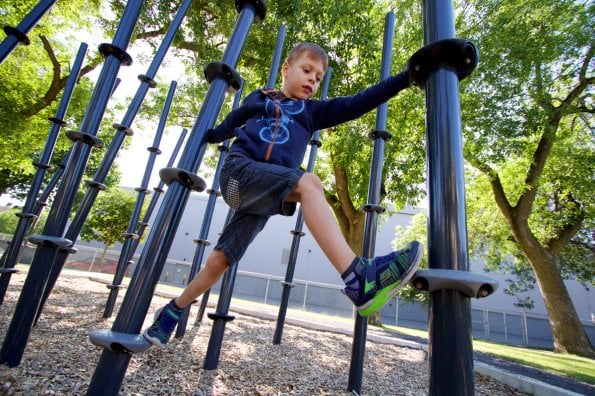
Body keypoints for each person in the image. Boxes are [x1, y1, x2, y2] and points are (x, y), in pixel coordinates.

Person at [143, 42, 423, 347]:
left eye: (318, 77)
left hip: (264, 195)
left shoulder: (313, 113)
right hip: (239, 174)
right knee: (310, 183)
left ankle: (172, 311)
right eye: (306, 70)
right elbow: (225, 127)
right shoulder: (258, 99)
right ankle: (358, 278)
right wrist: (207, 135)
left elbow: (359, 102)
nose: (312, 80)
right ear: (286, 69)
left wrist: (405, 78)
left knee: (220, 260)